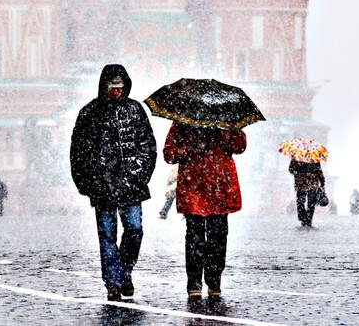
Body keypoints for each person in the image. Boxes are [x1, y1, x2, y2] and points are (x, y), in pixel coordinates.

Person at [70, 64, 156, 301]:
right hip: (102, 186)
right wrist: (87, 183)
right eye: (112, 87)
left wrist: (139, 174)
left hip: (131, 184)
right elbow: (78, 152)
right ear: (104, 87)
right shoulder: (89, 113)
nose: (116, 92)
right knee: (107, 235)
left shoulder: (135, 110)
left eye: (119, 87)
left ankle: (124, 271)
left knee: (135, 231)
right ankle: (113, 282)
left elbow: (147, 145)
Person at [164, 122, 246, 299]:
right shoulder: (183, 121)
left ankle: (214, 279)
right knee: (195, 237)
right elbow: (169, 154)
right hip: (193, 186)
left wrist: (223, 134)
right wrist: (191, 148)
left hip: (220, 188)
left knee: (218, 237)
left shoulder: (227, 120)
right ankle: (194, 282)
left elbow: (240, 146)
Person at [288, 159, 325, 228]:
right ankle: (308, 219)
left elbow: (291, 169)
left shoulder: (297, 157)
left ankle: (304, 218)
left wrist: (297, 172)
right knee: (310, 203)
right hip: (310, 184)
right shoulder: (314, 158)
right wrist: (322, 182)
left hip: (302, 183)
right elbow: (319, 172)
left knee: (301, 202)